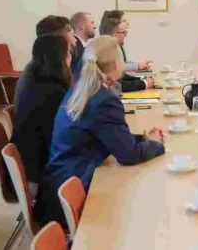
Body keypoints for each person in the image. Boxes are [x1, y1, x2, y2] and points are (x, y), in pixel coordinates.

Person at [33, 36, 165, 225]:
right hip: (73, 196)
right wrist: (156, 144)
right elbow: (128, 155)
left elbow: (107, 135)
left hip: (57, 186)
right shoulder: (104, 100)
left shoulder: (82, 87)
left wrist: (143, 139)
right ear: (117, 63)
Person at [10, 34, 72, 196]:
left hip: (30, 168)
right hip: (38, 176)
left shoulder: (31, 80)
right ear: (60, 58)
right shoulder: (52, 91)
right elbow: (61, 137)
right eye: (68, 52)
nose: (71, 57)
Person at [103, 17, 153, 92]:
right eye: (124, 32)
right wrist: (144, 83)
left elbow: (121, 76)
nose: (125, 35)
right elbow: (119, 85)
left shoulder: (117, 47)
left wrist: (142, 79)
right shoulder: (108, 51)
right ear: (115, 35)